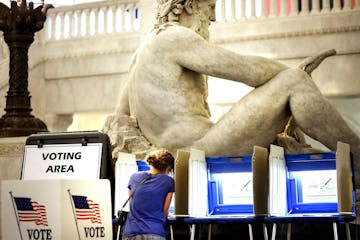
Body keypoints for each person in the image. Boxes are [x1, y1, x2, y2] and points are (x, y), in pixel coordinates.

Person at [114, 0, 360, 187]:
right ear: (189, 5)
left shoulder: (141, 53)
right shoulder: (174, 37)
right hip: (200, 150)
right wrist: (297, 72)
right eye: (209, 6)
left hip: (179, 155)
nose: (213, 16)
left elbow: (119, 118)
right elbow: (248, 71)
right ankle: (359, 161)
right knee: (294, 81)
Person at [122, 149, 175, 240]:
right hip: (155, 232)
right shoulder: (168, 181)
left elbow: (132, 204)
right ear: (168, 167)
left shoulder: (134, 177)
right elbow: (165, 212)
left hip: (131, 232)